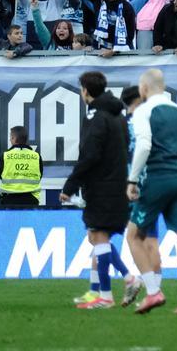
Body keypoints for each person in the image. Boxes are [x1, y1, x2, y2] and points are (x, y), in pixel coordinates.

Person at [126, 68, 177, 315]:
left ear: (144, 88)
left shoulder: (144, 111)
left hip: (157, 179)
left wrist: (132, 179)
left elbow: (144, 145)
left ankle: (153, 292)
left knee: (133, 236)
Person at [61, 72, 129, 310]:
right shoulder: (118, 115)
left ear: (85, 91)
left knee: (98, 238)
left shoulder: (96, 116)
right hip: (117, 183)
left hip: (101, 186)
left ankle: (107, 295)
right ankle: (109, 286)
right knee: (98, 238)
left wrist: (71, 185)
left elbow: (90, 154)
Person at [0, 125, 43, 207]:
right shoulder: (36, 156)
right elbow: (40, 175)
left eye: (11, 137)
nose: (10, 139)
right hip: (32, 199)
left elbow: (0, 175)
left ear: (14, 138)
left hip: (8, 199)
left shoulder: (5, 155)